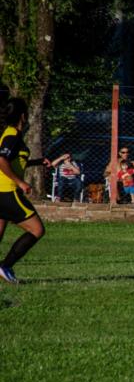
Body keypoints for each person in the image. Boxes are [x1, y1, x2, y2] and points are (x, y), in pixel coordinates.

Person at [0, 98, 51, 284]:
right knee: (37, 230)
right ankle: (5, 266)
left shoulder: (10, 134)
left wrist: (37, 162)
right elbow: (1, 161)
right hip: (6, 191)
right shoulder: (12, 135)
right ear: (23, 116)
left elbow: (13, 160)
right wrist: (20, 182)